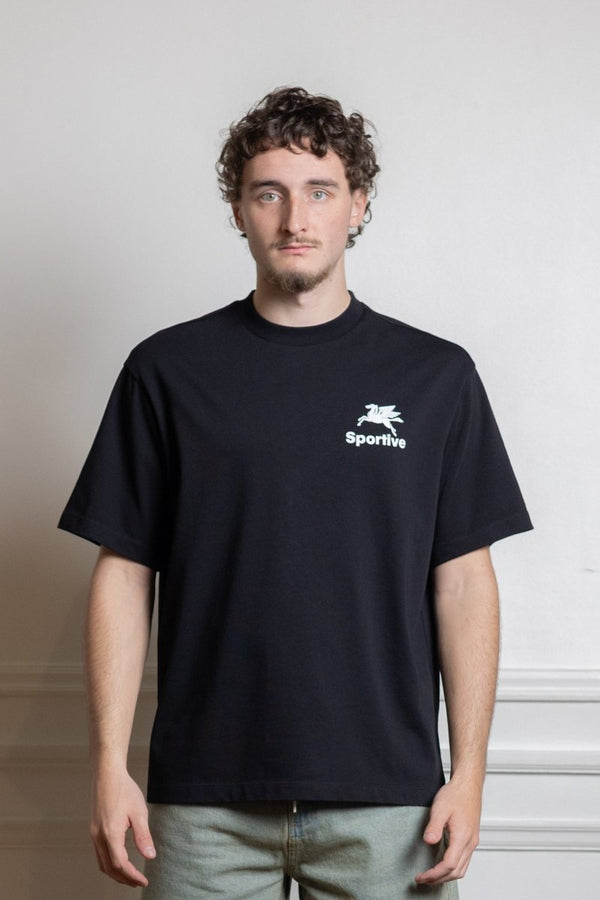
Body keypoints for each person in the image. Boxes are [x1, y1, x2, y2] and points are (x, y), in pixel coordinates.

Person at [58, 86, 533, 899]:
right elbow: (125, 572)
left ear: (358, 204)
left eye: (320, 191)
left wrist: (469, 774)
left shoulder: (435, 378)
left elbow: (462, 582)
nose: (295, 219)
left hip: (392, 803)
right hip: (202, 805)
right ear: (238, 211)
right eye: (268, 194)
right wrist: (107, 765)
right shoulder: (167, 371)